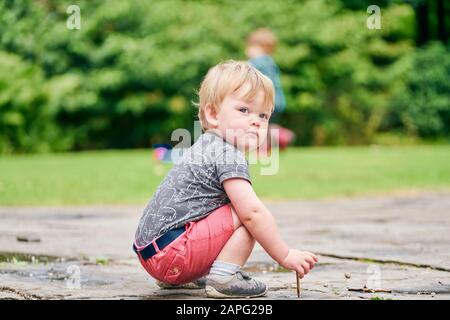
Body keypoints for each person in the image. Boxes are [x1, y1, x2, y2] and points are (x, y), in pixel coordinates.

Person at [133, 60, 318, 298]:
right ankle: (224, 277)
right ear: (213, 114)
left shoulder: (206, 145)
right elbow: (253, 214)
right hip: (172, 254)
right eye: (244, 110)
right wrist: (284, 255)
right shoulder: (227, 154)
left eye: (263, 115)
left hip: (152, 253)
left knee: (232, 208)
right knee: (247, 214)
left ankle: (182, 278)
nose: (256, 121)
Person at [246, 28, 295, 153]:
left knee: (260, 125)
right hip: (277, 101)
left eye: (251, 47)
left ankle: (277, 139)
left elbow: (246, 67)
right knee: (266, 126)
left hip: (268, 101)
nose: (247, 50)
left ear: (261, 48)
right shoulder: (270, 62)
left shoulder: (261, 61)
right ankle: (280, 136)